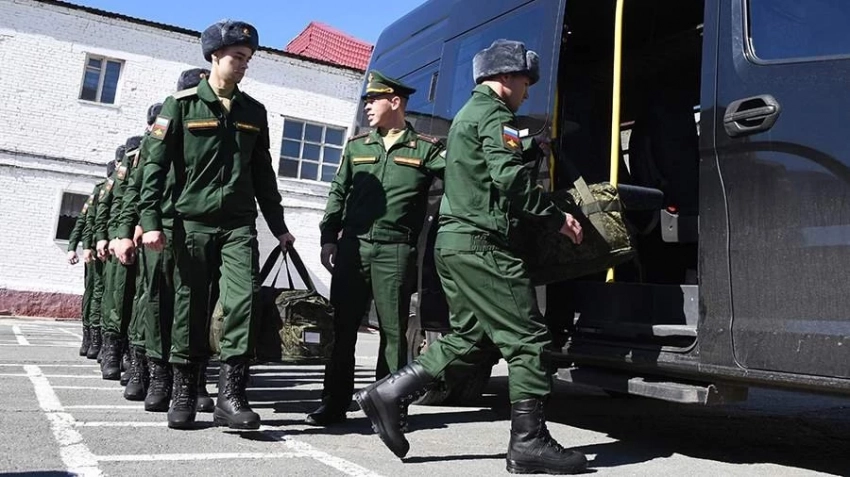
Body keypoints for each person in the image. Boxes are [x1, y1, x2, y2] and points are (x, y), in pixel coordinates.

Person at [354, 39, 588, 475]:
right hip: (484, 244)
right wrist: (557, 218)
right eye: (525, 83)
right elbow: (509, 180)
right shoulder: (496, 115)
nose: (527, 93)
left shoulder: (469, 114)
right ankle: (529, 442)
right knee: (528, 340)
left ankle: (389, 393)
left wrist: (527, 151)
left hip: (455, 242)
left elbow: (479, 169)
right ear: (506, 77)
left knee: (471, 338)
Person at [139, 20, 294, 430]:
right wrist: (150, 221)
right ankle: (184, 392)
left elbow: (263, 174)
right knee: (189, 306)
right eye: (237, 57)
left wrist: (278, 225)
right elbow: (154, 169)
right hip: (190, 224)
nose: (243, 64)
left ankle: (231, 395)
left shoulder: (253, 111)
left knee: (243, 301)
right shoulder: (181, 105)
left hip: (238, 225)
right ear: (214, 56)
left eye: (248, 59)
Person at [307, 71, 445, 426]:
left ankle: (389, 409)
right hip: (352, 248)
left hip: (395, 250)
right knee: (342, 329)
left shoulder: (425, 148)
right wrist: (328, 236)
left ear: (395, 101)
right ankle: (333, 403)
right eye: (366, 101)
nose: (367, 106)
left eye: (374, 100)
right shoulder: (358, 146)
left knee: (394, 334)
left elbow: (463, 173)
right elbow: (338, 192)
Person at [114, 68, 212, 413]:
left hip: (200, 229)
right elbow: (135, 189)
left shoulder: (214, 133)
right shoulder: (158, 136)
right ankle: (154, 375)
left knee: (198, 306)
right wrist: (130, 228)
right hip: (161, 227)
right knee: (155, 301)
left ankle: (194, 380)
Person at [67, 181, 104, 356]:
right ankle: (90, 338)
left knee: (96, 293)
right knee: (95, 292)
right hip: (97, 249)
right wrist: (82, 246)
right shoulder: (101, 189)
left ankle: (92, 340)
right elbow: (86, 221)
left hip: (98, 247)